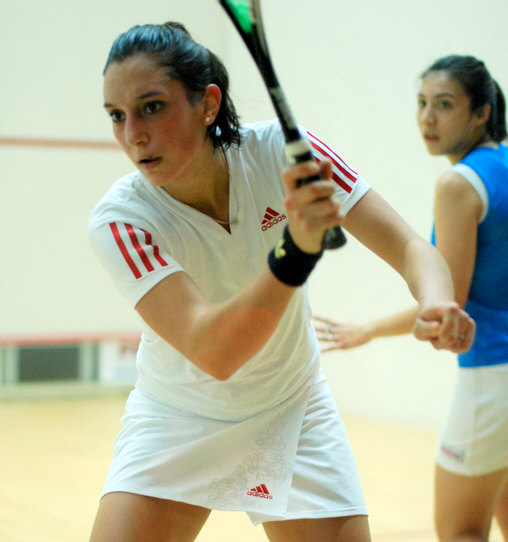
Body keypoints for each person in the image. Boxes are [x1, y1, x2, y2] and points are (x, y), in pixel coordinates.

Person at [87, 23, 475, 542]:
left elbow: (410, 247)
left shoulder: (283, 152)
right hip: (176, 420)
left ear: (207, 104)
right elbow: (216, 351)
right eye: (117, 115)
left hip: (291, 408)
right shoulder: (122, 220)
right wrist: (295, 251)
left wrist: (437, 301)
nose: (133, 134)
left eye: (151, 107)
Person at [315, 54, 508, 542]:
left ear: (482, 112)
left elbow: (448, 302)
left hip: (493, 375)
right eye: (422, 103)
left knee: (461, 530)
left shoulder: (458, 184)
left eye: (444, 105)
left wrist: (369, 329)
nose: (427, 117)